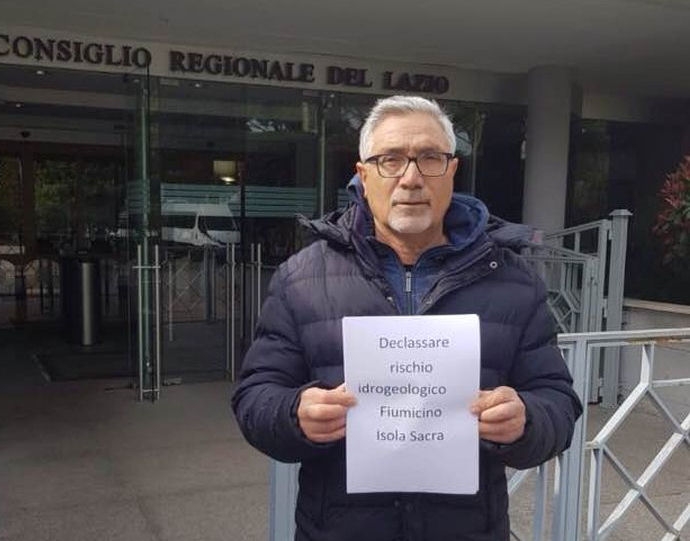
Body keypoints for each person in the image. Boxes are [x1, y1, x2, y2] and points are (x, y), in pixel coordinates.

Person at [231, 95, 583, 541]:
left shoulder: (514, 282)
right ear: (363, 175)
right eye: (390, 160)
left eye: (430, 158)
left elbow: (558, 403)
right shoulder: (301, 279)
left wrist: (526, 421)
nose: (411, 178)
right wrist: (293, 414)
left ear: (452, 170)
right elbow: (254, 398)